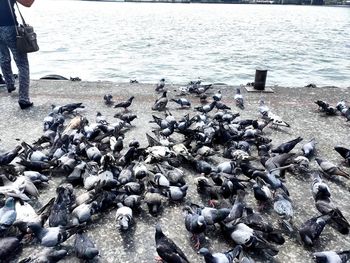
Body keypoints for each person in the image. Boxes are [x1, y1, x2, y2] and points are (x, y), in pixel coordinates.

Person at [0, 0, 35, 109]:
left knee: (3, 57)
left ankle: (10, 84)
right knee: (22, 63)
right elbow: (28, 3)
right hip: (9, 27)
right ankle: (24, 99)